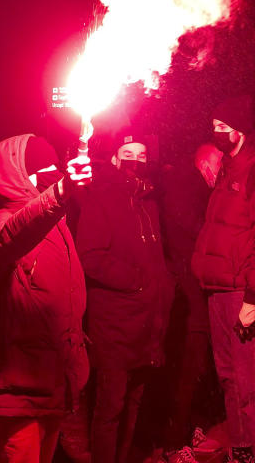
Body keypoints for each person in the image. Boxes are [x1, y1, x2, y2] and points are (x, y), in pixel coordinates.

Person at [0, 134, 91, 463]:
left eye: (56, 169)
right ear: (16, 176)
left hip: (52, 379)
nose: (51, 175)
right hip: (16, 387)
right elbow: (10, 236)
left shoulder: (57, 223)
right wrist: (62, 190)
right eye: (43, 170)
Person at [192, 96, 255, 463]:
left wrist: (253, 297)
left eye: (222, 127)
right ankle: (243, 454)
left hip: (241, 293)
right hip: (217, 290)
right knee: (229, 378)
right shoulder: (228, 171)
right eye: (213, 126)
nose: (216, 132)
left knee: (252, 385)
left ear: (240, 130)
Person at [76, 133, 173, 463]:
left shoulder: (148, 201)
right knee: (110, 408)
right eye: (128, 153)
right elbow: (90, 255)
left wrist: (161, 287)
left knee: (133, 404)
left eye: (142, 154)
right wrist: (136, 282)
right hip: (116, 325)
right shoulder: (100, 197)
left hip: (146, 324)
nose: (137, 159)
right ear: (115, 159)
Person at [158, 143, 225, 463]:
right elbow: (194, 228)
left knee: (199, 365)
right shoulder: (186, 187)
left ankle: (190, 425)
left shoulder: (195, 187)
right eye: (218, 163)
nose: (221, 169)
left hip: (197, 288)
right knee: (189, 364)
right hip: (190, 288)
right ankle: (174, 440)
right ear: (204, 163)